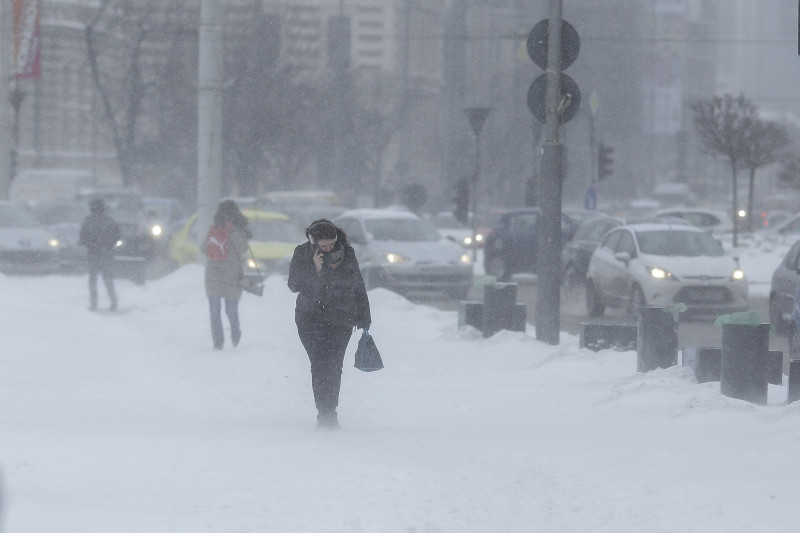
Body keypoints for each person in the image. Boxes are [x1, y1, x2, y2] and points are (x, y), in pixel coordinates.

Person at [288, 219, 371, 430]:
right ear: (313, 242)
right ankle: (323, 412)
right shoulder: (302, 253)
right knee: (319, 364)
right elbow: (294, 285)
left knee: (334, 366)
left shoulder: (347, 253)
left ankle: (330, 412)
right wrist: (314, 269)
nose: (328, 248)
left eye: (331, 244)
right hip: (309, 318)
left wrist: (364, 315)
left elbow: (357, 284)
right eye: (323, 246)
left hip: (341, 317)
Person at [201, 200, 252, 350]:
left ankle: (235, 334)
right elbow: (204, 248)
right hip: (213, 275)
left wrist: (233, 232)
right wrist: (217, 236)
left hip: (232, 275)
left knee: (231, 310)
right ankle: (218, 342)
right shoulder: (214, 230)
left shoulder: (239, 231)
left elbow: (243, 249)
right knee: (214, 310)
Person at [79, 197, 120, 311]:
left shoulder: (88, 221)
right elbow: (117, 236)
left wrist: (89, 244)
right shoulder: (109, 221)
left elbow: (82, 237)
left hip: (93, 254)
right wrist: (108, 245)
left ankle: (94, 303)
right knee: (107, 279)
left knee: (93, 279)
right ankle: (113, 302)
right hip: (106, 253)